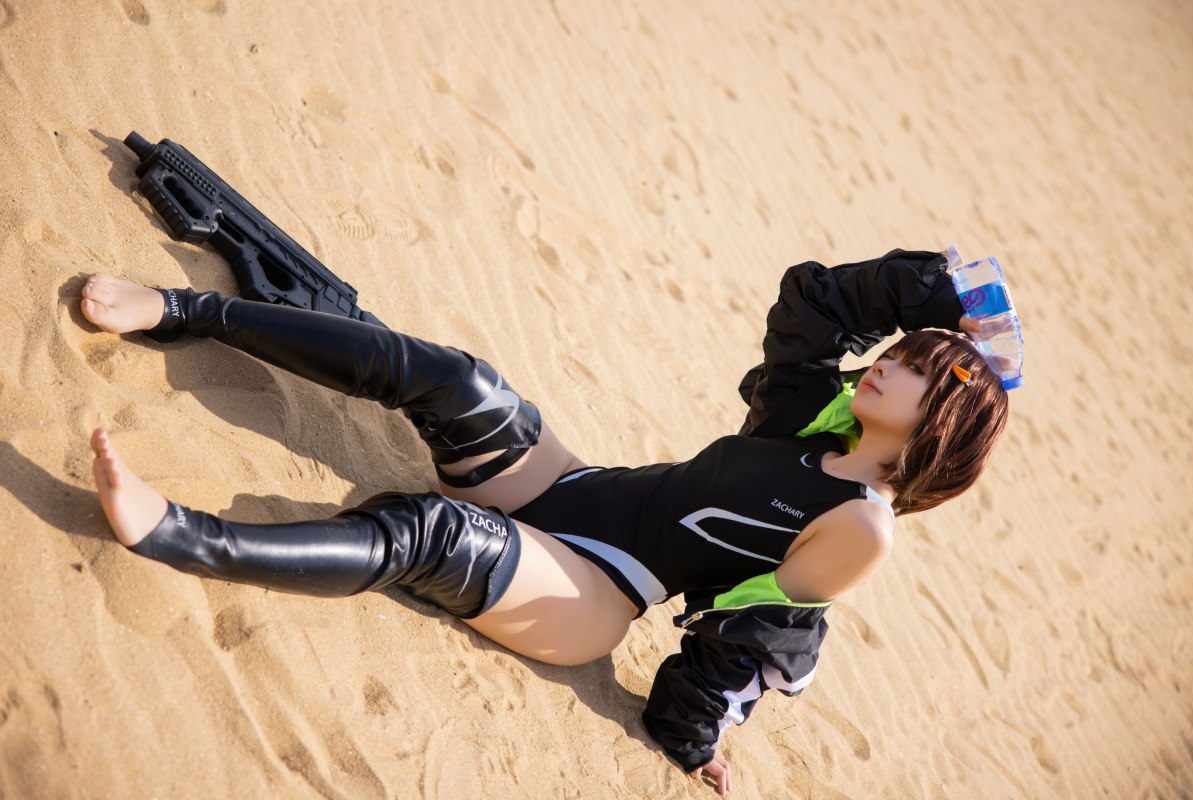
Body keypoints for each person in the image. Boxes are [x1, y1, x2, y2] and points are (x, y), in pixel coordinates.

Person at [80, 248, 1008, 797]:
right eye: (904, 351)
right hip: (566, 485)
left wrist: (694, 738)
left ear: (943, 422)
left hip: (589, 593)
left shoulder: (862, 526)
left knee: (432, 534)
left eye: (920, 369)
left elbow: (756, 632)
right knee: (455, 379)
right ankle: (185, 311)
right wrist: (941, 299)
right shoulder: (812, 422)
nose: (890, 362)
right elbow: (817, 306)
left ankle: (182, 534)